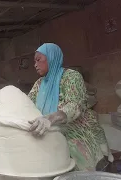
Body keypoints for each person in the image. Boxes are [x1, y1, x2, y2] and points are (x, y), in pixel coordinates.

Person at [28, 43, 113, 171]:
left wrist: (50, 119)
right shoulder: (39, 84)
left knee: (87, 172)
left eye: (38, 59)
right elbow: (27, 102)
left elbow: (74, 106)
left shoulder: (71, 77)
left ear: (51, 58)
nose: (35, 64)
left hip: (79, 134)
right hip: (55, 135)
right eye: (34, 61)